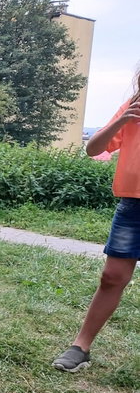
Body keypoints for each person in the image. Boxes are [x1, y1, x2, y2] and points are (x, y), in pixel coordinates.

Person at [52, 85, 140, 373]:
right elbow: (93, 149)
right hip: (133, 205)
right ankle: (81, 346)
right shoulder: (135, 103)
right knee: (112, 276)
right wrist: (123, 119)